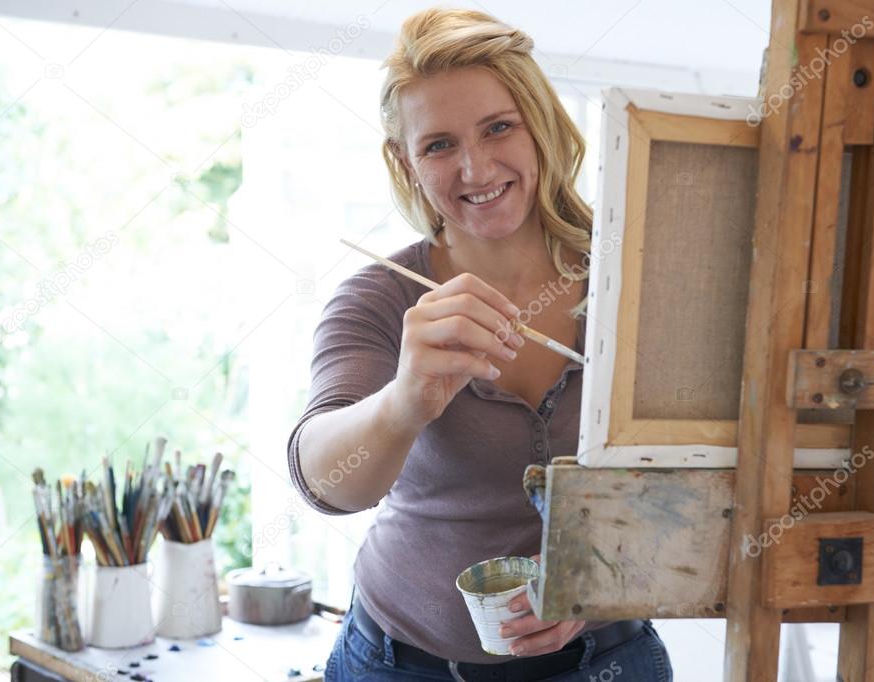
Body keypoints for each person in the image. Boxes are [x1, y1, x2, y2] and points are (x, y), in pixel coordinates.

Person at [287, 8, 674, 681]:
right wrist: (404, 399)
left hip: (608, 660)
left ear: (541, 125)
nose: (476, 167)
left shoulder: (635, 278)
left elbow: (694, 480)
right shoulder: (379, 300)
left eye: (498, 127)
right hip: (401, 664)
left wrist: (596, 582)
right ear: (404, 162)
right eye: (438, 144)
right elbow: (325, 484)